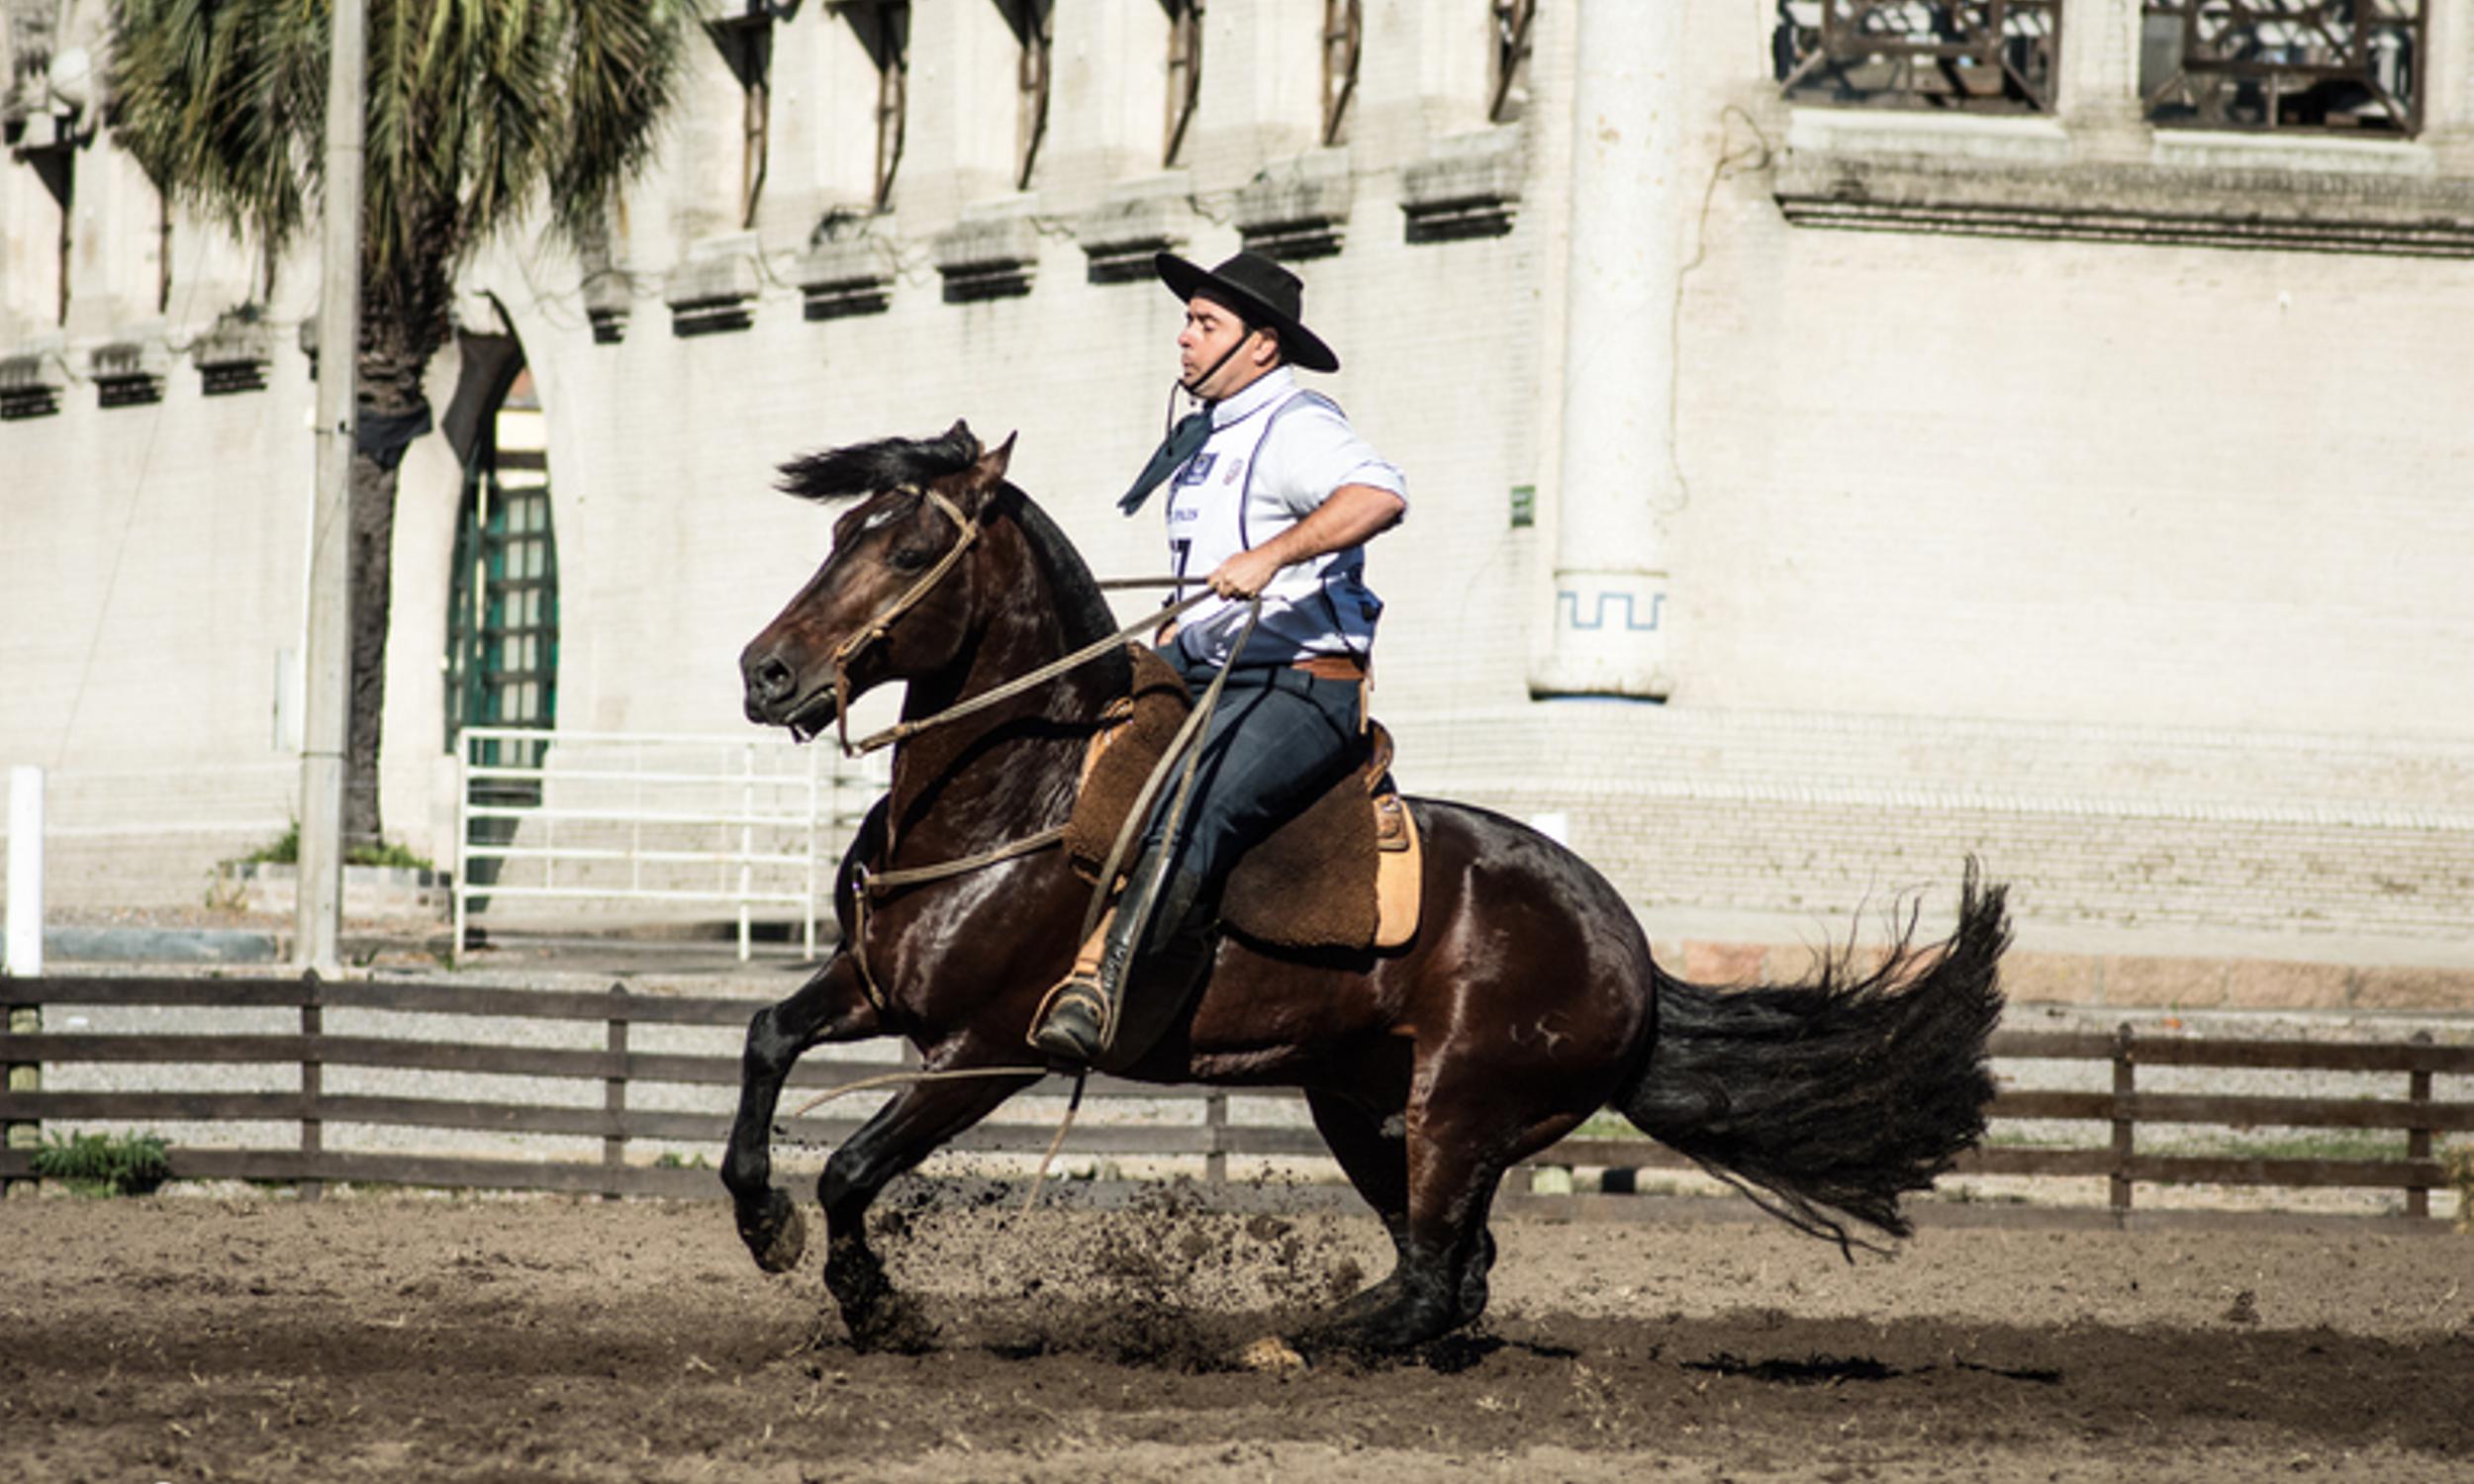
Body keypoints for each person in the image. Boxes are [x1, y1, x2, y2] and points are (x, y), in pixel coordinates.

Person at [1029, 251, 1408, 1066]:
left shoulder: (1297, 425)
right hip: (1211, 677)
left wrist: (1272, 556)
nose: (1185, 339)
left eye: (1207, 325)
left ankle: (1104, 990)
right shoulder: (1209, 436)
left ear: (1263, 346)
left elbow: (1379, 494)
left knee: (1189, 804)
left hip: (1301, 687)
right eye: (1188, 321)